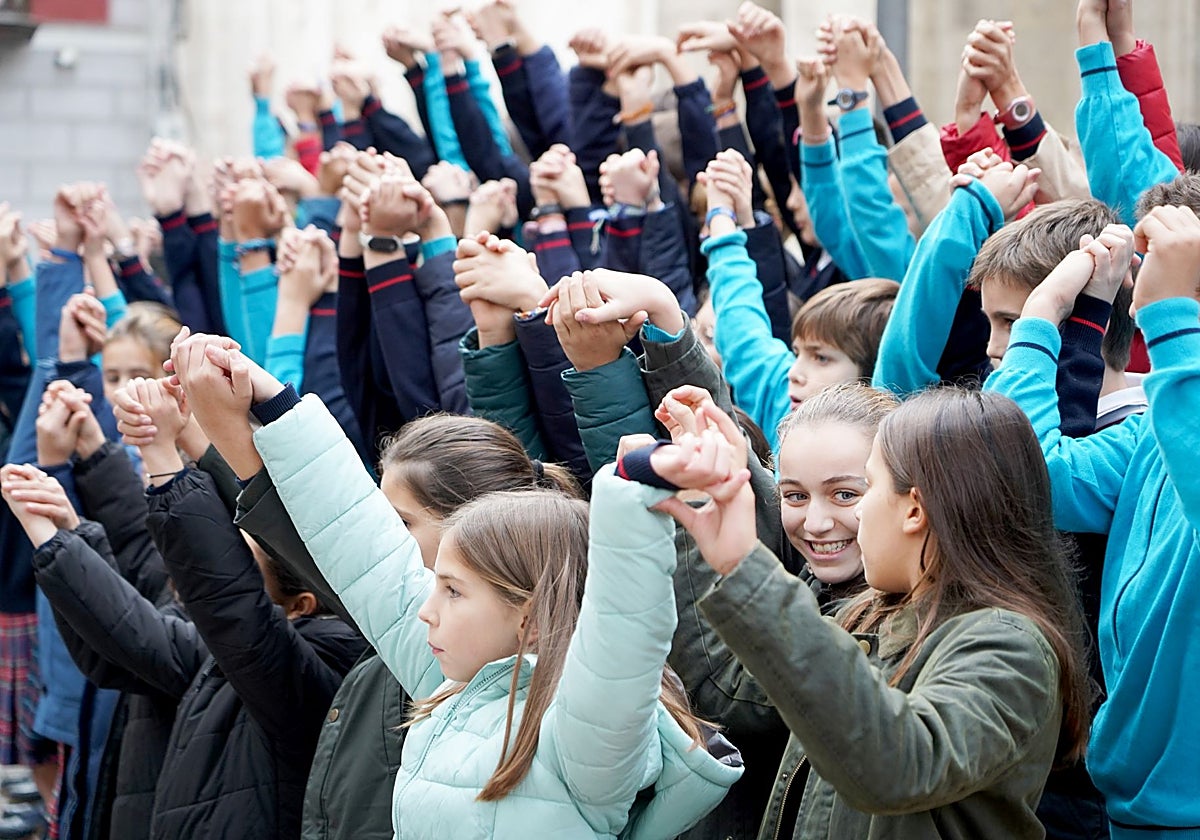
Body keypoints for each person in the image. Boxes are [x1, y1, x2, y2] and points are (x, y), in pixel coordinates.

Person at [172, 333, 743, 838]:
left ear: (529, 616)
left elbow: (625, 628)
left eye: (452, 590)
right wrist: (273, 402)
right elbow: (358, 540)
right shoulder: (450, 682)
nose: (424, 608)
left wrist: (637, 487)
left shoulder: (585, 740)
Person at [629, 389, 1091, 838]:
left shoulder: (1009, 646)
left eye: (862, 491)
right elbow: (748, 682)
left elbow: (899, 766)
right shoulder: (873, 613)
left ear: (914, 510)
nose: (827, 520)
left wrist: (744, 566)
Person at [985, 204, 1200, 837]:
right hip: (1128, 802)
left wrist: (1174, 322)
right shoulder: (1148, 431)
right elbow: (1034, 476)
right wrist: (1044, 317)